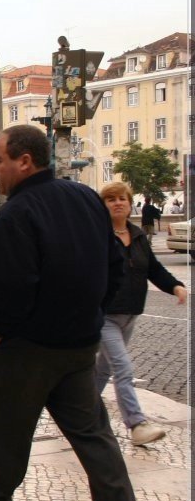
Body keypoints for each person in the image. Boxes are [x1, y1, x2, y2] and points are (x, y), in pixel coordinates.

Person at [0, 125, 146, 501]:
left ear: (25, 161)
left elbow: (12, 281)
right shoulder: (84, 199)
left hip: (25, 348)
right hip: (78, 346)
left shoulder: (19, 212)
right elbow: (115, 265)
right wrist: (93, 313)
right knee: (94, 434)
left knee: (5, 430)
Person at [97, 182, 187, 445]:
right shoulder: (99, 237)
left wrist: (175, 286)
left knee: (103, 369)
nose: (117, 203)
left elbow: (154, 269)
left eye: (122, 198)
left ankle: (78, 411)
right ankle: (136, 424)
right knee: (122, 369)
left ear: (129, 203)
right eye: (110, 199)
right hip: (106, 315)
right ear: (103, 206)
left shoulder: (137, 236)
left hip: (131, 314)